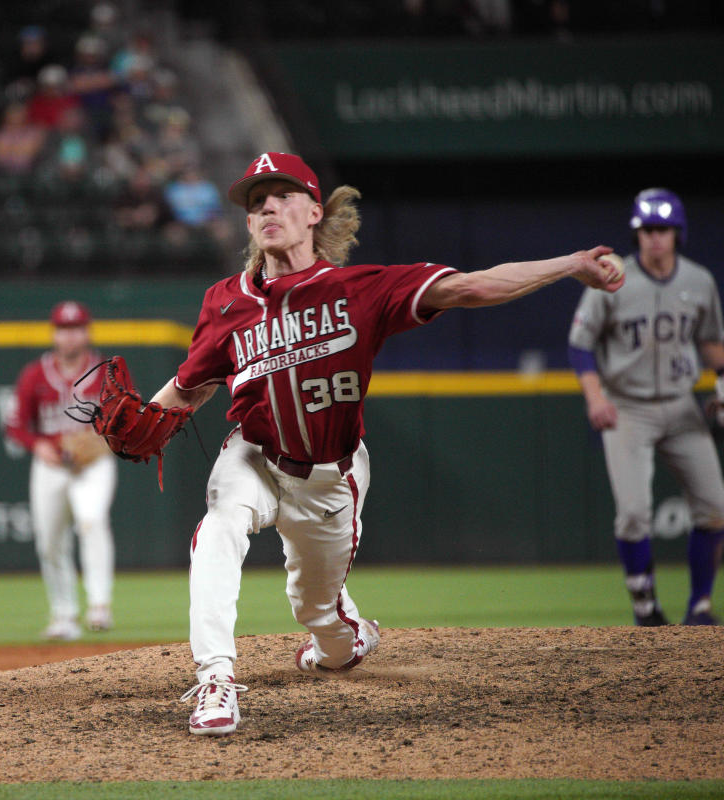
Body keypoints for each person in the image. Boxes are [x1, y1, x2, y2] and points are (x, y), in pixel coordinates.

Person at [133, 152, 624, 736]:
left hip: (328, 479)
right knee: (218, 527)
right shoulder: (225, 302)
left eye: (283, 195)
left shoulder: (359, 290)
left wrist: (569, 264)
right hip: (254, 455)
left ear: (315, 212)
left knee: (320, 618)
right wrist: (143, 416)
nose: (267, 206)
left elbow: (471, 287)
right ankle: (215, 681)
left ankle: (344, 639)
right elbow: (190, 386)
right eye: (256, 201)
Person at [568, 187, 724, 627]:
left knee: (715, 508)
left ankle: (699, 607)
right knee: (634, 515)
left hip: (681, 404)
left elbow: (713, 347)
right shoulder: (613, 280)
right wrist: (596, 397)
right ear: (637, 234)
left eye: (663, 229)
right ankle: (645, 609)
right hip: (627, 407)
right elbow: (581, 345)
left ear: (678, 233)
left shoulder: (698, 281)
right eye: (647, 229)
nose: (655, 238)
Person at [5, 301, 117, 641]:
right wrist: (37, 445)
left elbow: (128, 418)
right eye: (63, 329)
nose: (69, 336)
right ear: (54, 334)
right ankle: (64, 615)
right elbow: (16, 425)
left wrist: (105, 439)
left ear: (87, 332)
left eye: (76, 328)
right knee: (50, 542)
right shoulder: (35, 375)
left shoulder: (107, 372)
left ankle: (99, 605)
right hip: (51, 464)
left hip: (94, 464)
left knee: (91, 520)